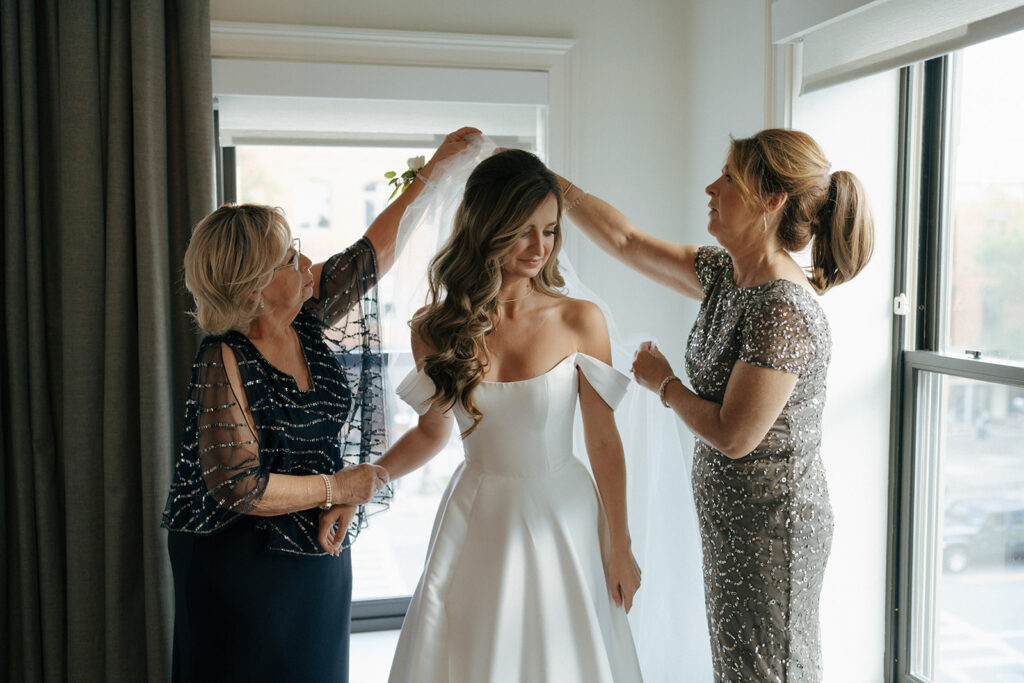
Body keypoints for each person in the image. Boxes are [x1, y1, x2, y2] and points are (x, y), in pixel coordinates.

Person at [160, 126, 480, 683]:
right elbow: (240, 486)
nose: (305, 260)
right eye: (288, 258)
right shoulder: (222, 358)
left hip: (316, 545)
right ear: (253, 285)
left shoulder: (305, 316)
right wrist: (340, 487)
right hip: (236, 566)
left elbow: (376, 249)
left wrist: (434, 172)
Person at [554, 128, 874, 682]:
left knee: (769, 670)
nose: (711, 187)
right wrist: (548, 183)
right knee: (739, 669)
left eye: (728, 178)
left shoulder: (782, 308)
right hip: (733, 522)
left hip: (773, 532)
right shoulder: (726, 275)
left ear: (770, 202)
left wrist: (664, 384)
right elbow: (627, 242)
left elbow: (735, 435)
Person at [320, 149, 644, 682]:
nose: (540, 248)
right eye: (523, 231)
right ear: (488, 228)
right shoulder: (434, 329)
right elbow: (431, 433)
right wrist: (365, 483)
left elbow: (604, 440)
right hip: (481, 516)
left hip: (568, 519)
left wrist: (622, 546)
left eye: (551, 231)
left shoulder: (579, 320)